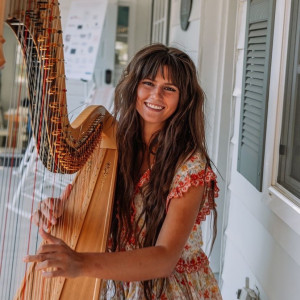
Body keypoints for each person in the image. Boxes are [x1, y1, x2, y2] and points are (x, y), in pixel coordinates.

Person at [27, 43, 222, 300]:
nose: (156, 95)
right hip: (123, 285)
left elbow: (164, 258)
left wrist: (81, 263)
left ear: (183, 99)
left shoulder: (189, 166)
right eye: (149, 83)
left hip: (171, 289)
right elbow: (90, 210)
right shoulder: (113, 146)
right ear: (134, 87)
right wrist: (57, 210)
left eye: (169, 89)